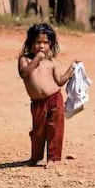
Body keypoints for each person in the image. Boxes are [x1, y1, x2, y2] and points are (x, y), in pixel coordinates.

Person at [18, 23, 76, 168]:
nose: (42, 46)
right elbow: (24, 73)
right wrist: (36, 59)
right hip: (38, 103)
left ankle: (53, 158)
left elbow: (60, 81)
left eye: (45, 43)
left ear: (51, 44)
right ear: (30, 43)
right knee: (38, 132)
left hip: (54, 99)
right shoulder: (25, 60)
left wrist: (71, 70)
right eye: (38, 42)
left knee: (54, 128)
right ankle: (35, 157)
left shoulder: (51, 62)